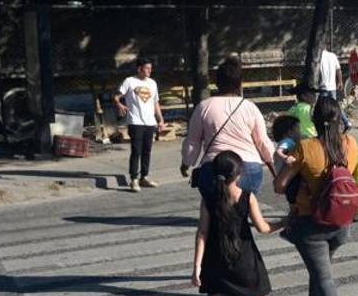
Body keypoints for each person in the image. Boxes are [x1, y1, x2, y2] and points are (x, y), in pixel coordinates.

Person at [275, 96, 358, 296]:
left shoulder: (305, 147)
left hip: (310, 224)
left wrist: (285, 161)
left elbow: (279, 187)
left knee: (323, 276)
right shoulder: (351, 144)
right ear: (339, 118)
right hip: (342, 222)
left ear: (312, 119)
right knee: (320, 269)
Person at [191, 150, 285, 296]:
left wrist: (196, 266)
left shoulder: (208, 199)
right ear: (239, 174)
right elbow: (262, 228)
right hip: (243, 257)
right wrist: (285, 221)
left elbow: (202, 233)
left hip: (215, 257)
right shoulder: (247, 197)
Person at [181, 57, 277, 199]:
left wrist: (186, 164)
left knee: (212, 208)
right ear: (240, 83)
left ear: (217, 83)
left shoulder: (203, 107)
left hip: (213, 168)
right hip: (249, 168)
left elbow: (193, 142)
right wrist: (274, 171)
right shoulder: (250, 107)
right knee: (244, 209)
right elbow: (262, 142)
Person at [114, 56, 164, 192]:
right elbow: (117, 96)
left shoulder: (152, 83)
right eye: (147, 68)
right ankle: (134, 180)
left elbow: (155, 103)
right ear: (139, 69)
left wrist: (160, 120)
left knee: (147, 151)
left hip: (150, 122)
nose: (149, 71)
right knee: (136, 151)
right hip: (135, 121)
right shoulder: (129, 81)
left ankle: (144, 177)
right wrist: (119, 104)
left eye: (151, 68)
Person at [270, 114, 304, 231]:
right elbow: (278, 151)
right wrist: (286, 157)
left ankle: (291, 225)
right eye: (298, 130)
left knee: (293, 206)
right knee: (295, 205)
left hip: (286, 179)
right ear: (289, 132)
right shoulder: (288, 141)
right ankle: (292, 226)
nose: (299, 133)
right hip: (290, 179)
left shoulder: (288, 141)